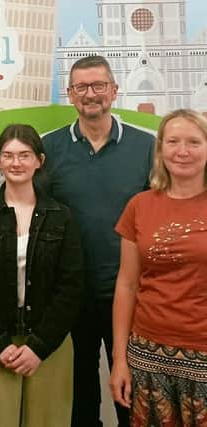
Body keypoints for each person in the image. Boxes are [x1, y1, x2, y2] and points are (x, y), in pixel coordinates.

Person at [41, 55, 154, 427]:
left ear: (114, 90)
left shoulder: (146, 147)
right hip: (71, 297)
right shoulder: (49, 150)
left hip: (132, 297)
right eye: (82, 88)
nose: (91, 95)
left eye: (99, 86)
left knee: (133, 399)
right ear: (70, 95)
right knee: (79, 401)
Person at [0, 124, 84, 426]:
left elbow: (72, 286)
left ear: (39, 161)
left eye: (25, 155)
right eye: (8, 155)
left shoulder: (61, 215)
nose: (16, 163)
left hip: (48, 344)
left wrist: (39, 346)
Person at [110, 109, 207, 425]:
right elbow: (127, 285)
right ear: (161, 149)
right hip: (147, 355)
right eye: (173, 141)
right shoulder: (140, 205)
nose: (182, 151)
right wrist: (119, 360)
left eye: (194, 142)